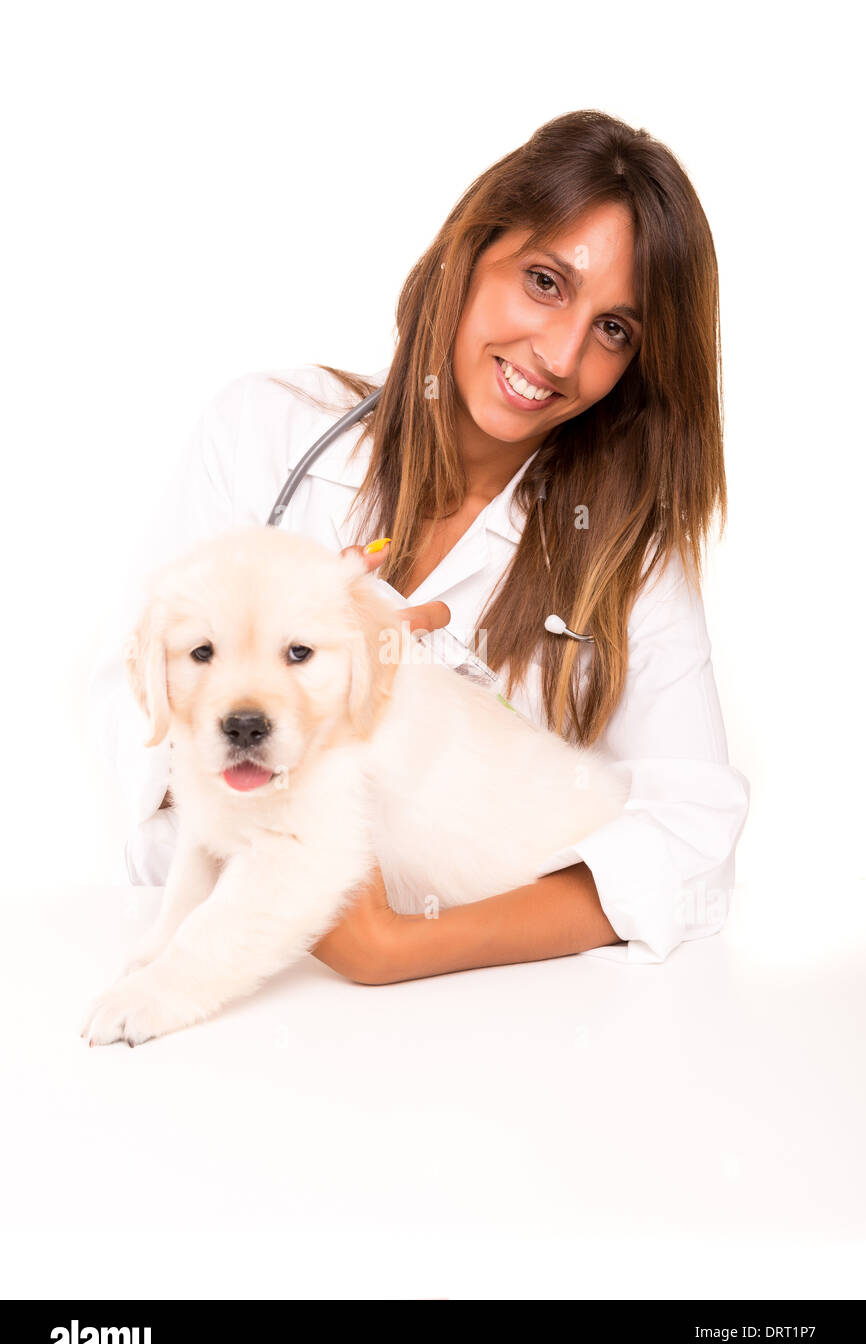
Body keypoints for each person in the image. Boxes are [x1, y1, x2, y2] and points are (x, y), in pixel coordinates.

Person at [88, 109, 750, 984]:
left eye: (614, 330)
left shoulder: (630, 557)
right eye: (546, 282)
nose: (557, 354)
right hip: (220, 991)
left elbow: (690, 837)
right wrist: (325, 681)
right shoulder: (264, 431)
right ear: (470, 251)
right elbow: (136, 715)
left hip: (492, 1023)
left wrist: (404, 944)